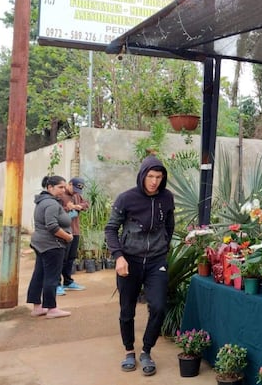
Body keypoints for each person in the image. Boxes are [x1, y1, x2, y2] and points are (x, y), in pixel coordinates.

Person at [105, 155, 174, 376]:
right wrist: (118, 256)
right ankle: (129, 351)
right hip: (130, 261)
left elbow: (169, 225)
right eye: (150, 176)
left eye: (158, 177)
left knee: (159, 306)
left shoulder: (167, 198)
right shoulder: (127, 199)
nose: (154, 181)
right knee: (127, 310)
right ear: (142, 175)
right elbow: (110, 229)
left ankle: (146, 350)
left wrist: (163, 247)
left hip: (156, 262)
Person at [26, 175, 73, 319]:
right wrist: (68, 237)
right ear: (50, 187)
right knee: (51, 277)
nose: (63, 190)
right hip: (52, 245)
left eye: (64, 187)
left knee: (39, 274)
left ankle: (37, 307)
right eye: (60, 187)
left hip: (41, 243)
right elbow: (52, 226)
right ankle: (52, 309)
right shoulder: (52, 204)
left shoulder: (42, 201)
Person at [58, 177, 90, 295]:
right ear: (69, 184)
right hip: (64, 232)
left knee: (71, 258)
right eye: (74, 189)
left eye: (78, 190)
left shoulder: (77, 195)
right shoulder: (60, 195)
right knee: (61, 258)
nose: (76, 192)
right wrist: (68, 208)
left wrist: (79, 206)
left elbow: (86, 203)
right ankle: (57, 284)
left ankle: (68, 281)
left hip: (75, 230)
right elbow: (56, 210)